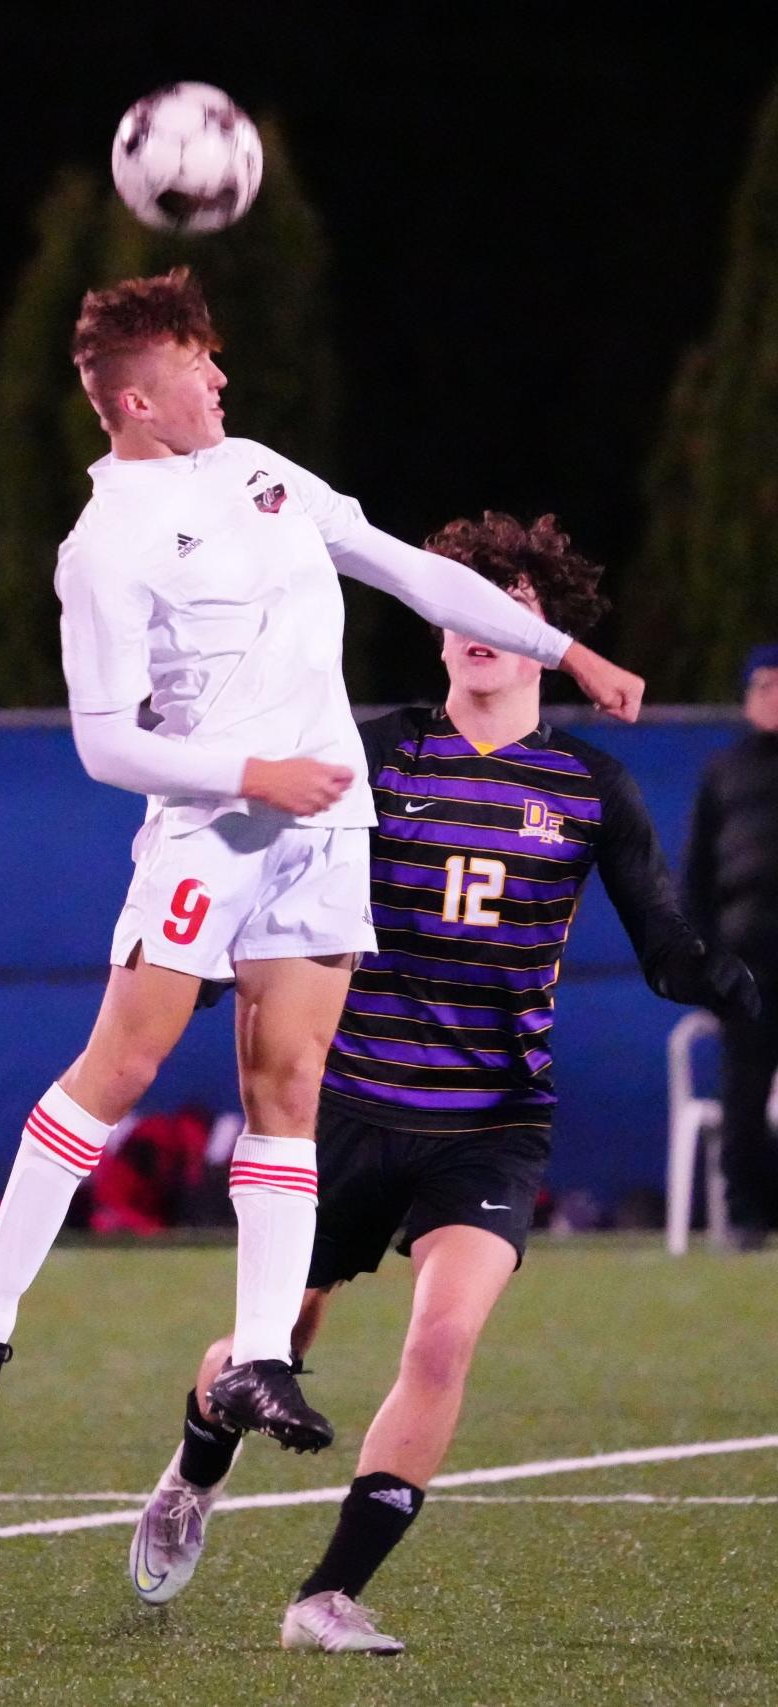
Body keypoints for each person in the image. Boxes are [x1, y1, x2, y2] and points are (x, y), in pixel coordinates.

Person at [0, 269, 645, 1474]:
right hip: (214, 826)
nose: (220, 376)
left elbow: (407, 569)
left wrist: (563, 648)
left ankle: (260, 1350)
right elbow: (105, 742)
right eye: (198, 364)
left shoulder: (261, 470)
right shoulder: (103, 546)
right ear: (139, 403)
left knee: (291, 1081)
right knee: (124, 1066)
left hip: (323, 824)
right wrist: (254, 774)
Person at [131, 511, 758, 1654]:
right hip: (350, 1102)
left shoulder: (588, 786)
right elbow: (262, 858)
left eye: (512, 610)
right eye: (466, 606)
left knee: (442, 1343)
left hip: (491, 1122)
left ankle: (324, 1597)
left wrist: (751, 994)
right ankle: (191, 1471)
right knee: (272, 1343)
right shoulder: (380, 751)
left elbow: (669, 951)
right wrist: (203, 964)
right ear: (439, 631)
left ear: (547, 637)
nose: (484, 629)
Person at [681, 644, 778, 1248]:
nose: (773, 695)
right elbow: (695, 878)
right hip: (750, 963)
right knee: (742, 1096)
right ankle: (746, 1217)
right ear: (746, 697)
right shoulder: (725, 771)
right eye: (763, 684)